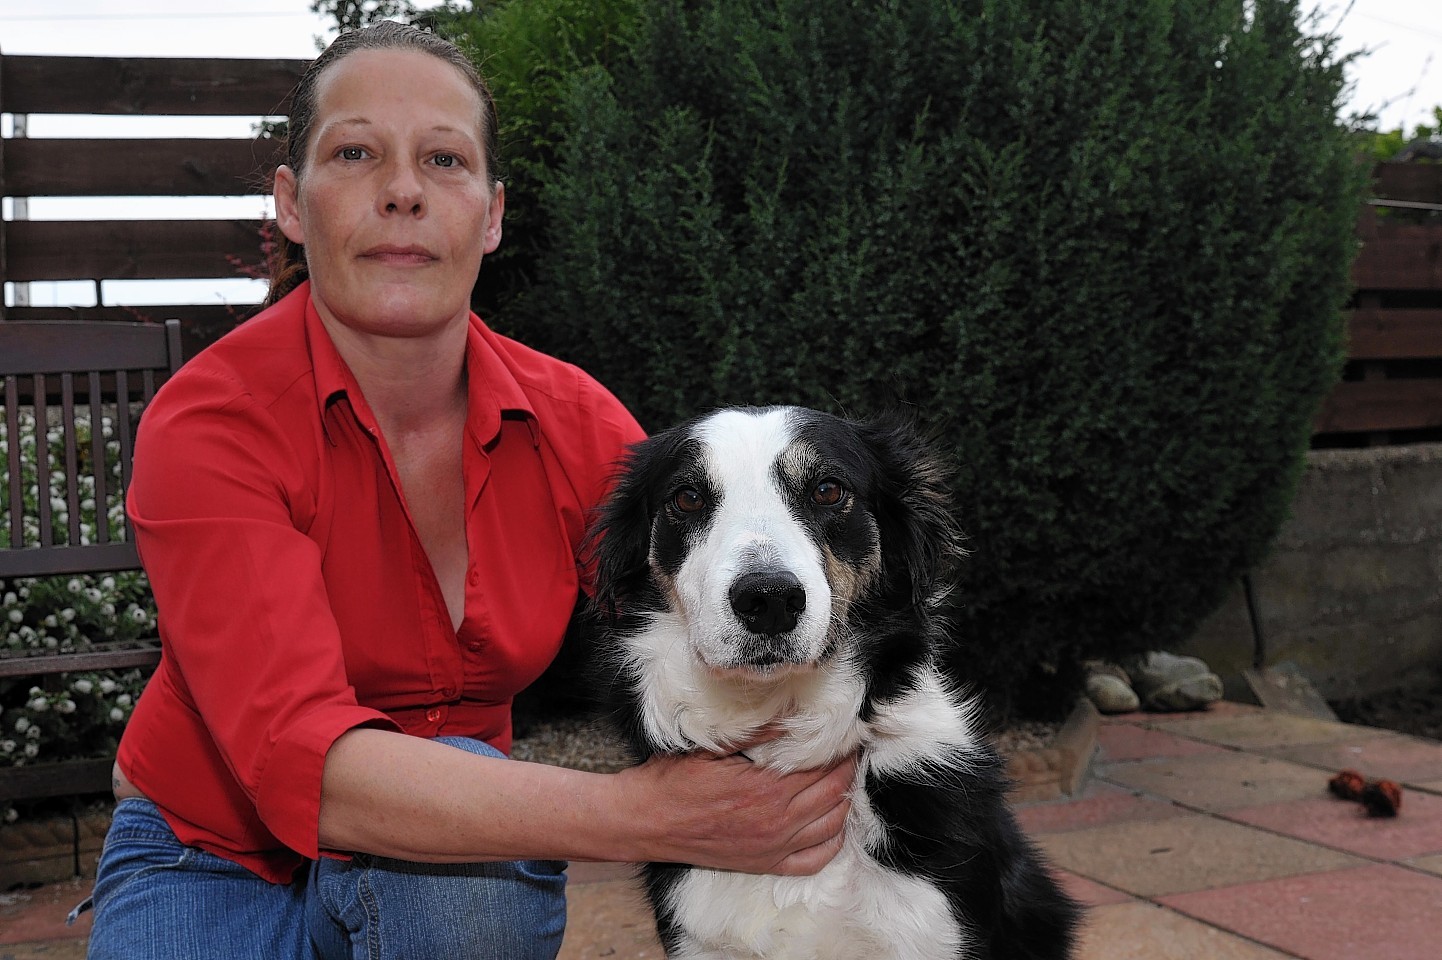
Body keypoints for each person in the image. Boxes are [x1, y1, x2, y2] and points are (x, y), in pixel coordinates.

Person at [83, 21, 855, 960]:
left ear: (490, 215)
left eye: (443, 159)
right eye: (356, 152)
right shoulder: (210, 422)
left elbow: (721, 603)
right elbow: (303, 761)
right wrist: (642, 814)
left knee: (467, 897)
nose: (402, 191)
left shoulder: (580, 427)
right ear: (292, 202)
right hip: (209, 850)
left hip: (449, 872)